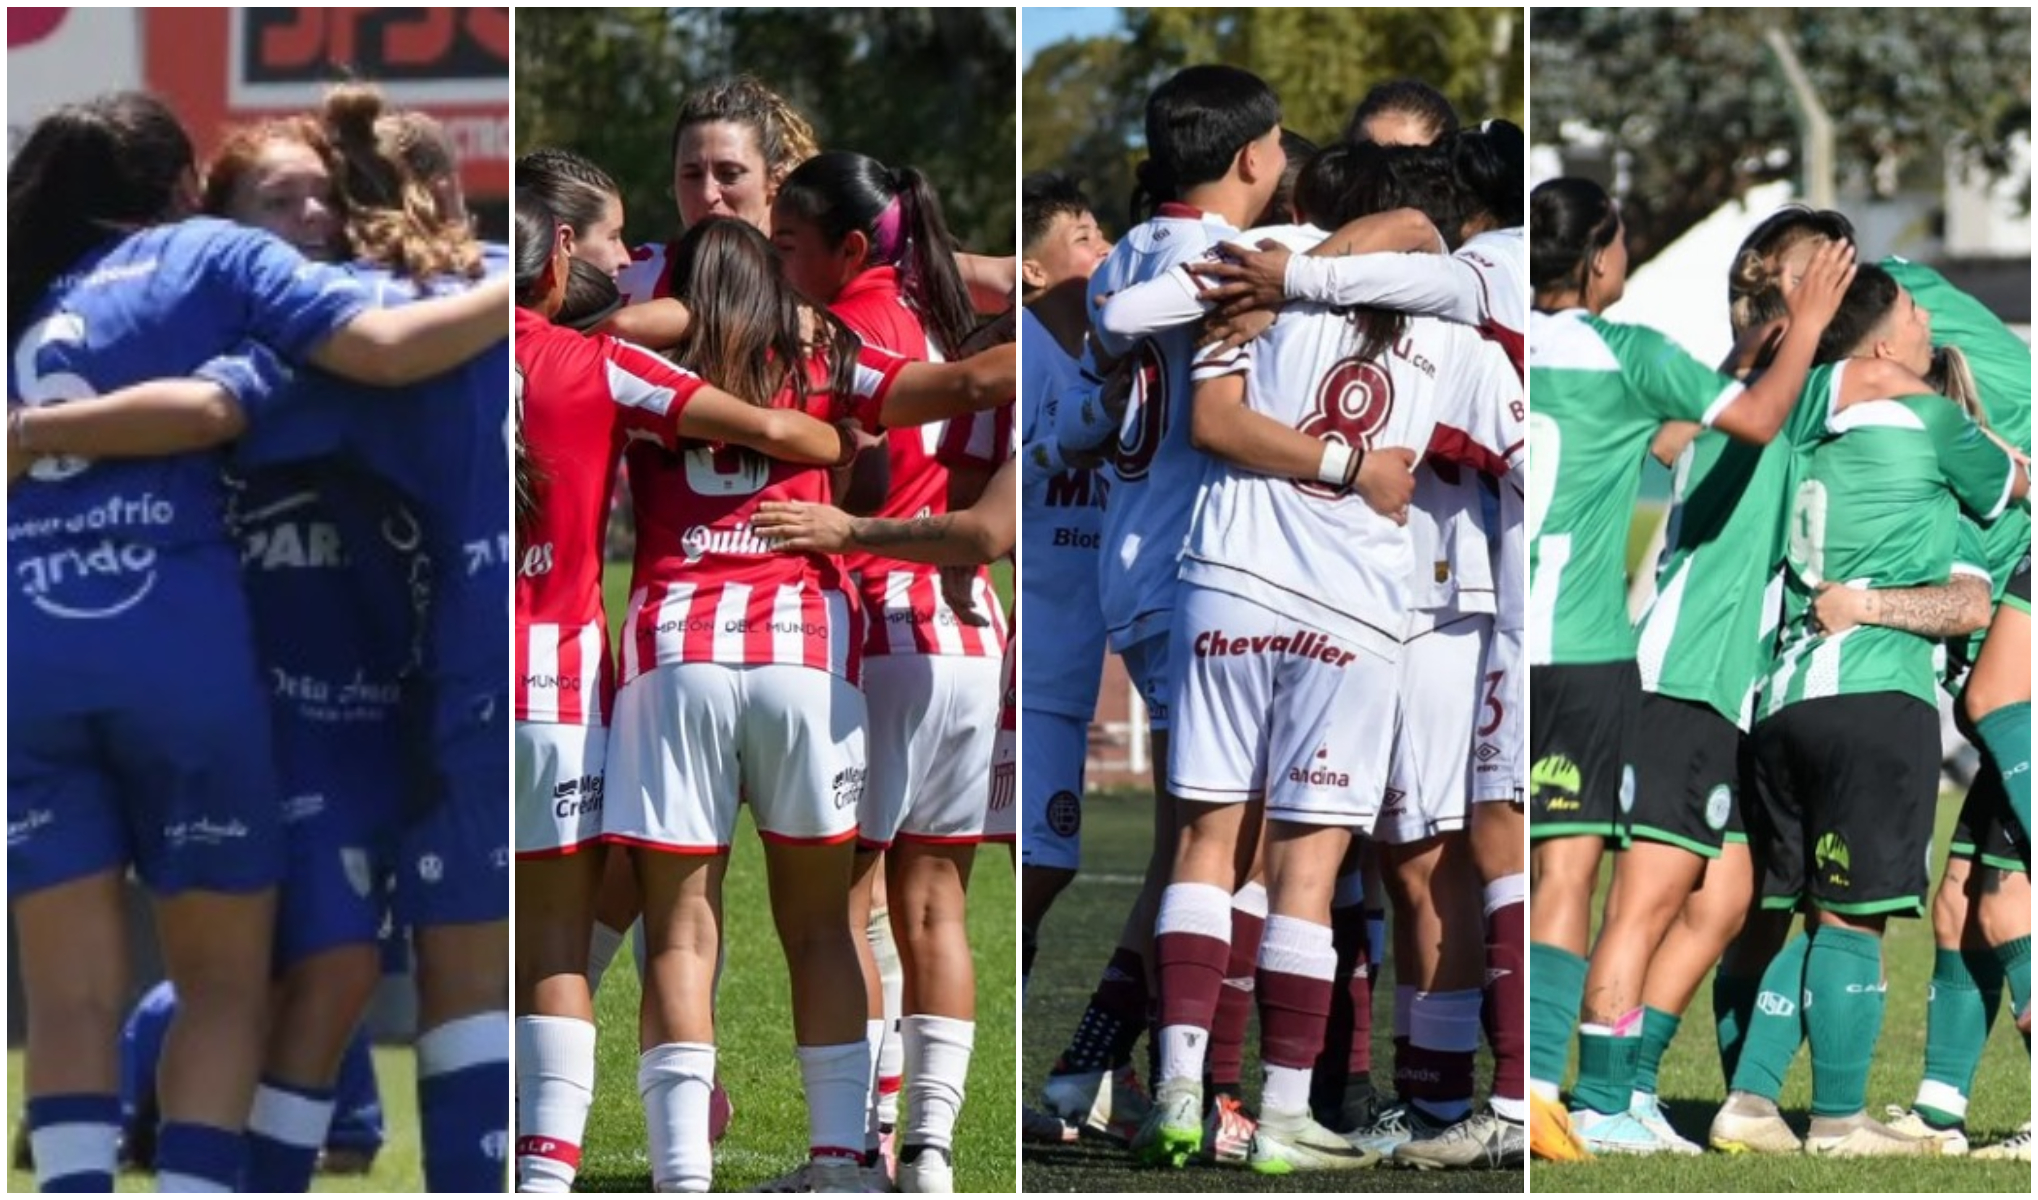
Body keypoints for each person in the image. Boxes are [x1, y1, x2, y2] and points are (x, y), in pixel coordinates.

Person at [7, 89, 504, 1193]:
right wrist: (535, 286)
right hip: (217, 675)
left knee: (94, 991)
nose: (313, 216)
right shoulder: (234, 278)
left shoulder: (41, 301)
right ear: (196, 195)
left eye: (325, 193)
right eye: (281, 197)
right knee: (255, 977)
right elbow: (356, 355)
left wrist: (29, 434)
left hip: (48, 652)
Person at [511, 192, 869, 1194]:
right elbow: (938, 385)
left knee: (674, 928)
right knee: (820, 926)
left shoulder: (631, 347)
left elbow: (627, 319)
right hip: (802, 649)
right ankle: (846, 1158)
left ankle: (678, 1175)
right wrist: (843, 440)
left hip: (670, 654)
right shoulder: (829, 351)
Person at [1522, 175, 1852, 1161]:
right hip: (1676, 679)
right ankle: (1596, 1099)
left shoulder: (1719, 397)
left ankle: (1625, 1087)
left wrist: (1772, 327)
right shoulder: (1771, 404)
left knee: (1720, 898)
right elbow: (1738, 410)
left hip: (1716, 686)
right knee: (1646, 899)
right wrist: (1806, 317)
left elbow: (1681, 426)